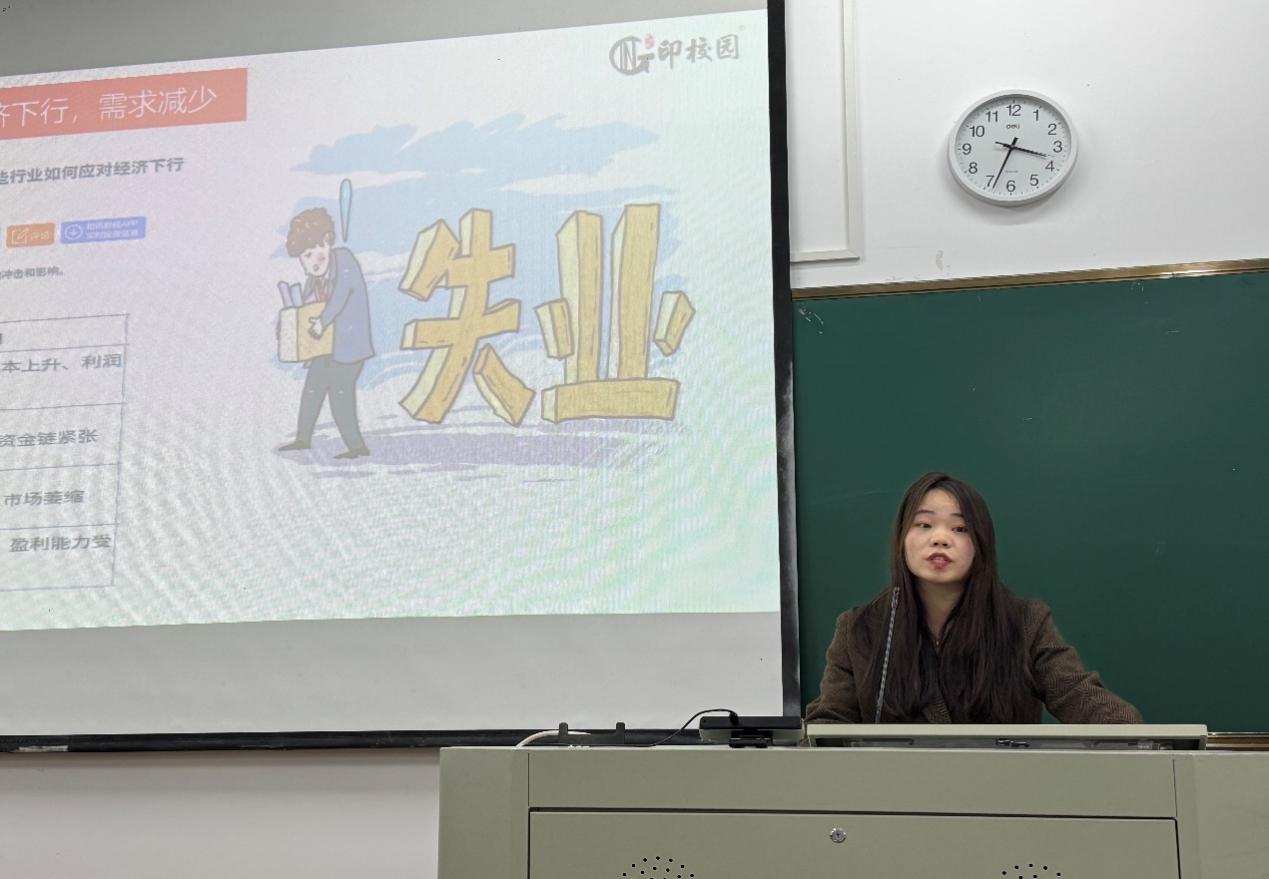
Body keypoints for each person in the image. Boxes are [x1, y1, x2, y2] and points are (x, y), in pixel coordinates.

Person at [805, 471, 1142, 724]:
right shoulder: (860, 629)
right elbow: (829, 724)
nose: (940, 539)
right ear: (901, 539)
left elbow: (1076, 695)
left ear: (981, 545)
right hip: (895, 792)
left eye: (960, 528)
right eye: (924, 525)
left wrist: (1137, 738)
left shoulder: (1024, 622)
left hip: (1000, 791)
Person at [278, 207, 374, 459]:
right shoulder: (314, 280)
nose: (314, 261)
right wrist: (288, 326)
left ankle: (357, 447)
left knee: (340, 394)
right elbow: (305, 311)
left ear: (328, 241)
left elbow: (341, 294)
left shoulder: (344, 260)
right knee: (312, 389)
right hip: (323, 349)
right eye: (306, 256)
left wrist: (323, 320)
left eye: (316, 251)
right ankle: (302, 439)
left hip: (348, 348)